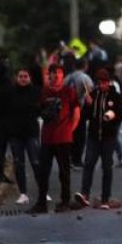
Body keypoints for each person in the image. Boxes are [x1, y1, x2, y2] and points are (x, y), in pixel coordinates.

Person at [31, 64, 80, 213]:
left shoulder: (69, 91)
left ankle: (65, 201)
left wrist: (69, 130)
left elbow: (76, 113)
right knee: (43, 172)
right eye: (53, 73)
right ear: (49, 76)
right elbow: (38, 111)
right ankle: (41, 203)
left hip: (63, 138)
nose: (57, 76)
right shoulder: (44, 92)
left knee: (64, 172)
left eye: (59, 73)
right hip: (47, 137)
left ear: (63, 75)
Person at [77, 68, 122, 209]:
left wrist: (111, 119)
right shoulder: (93, 94)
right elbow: (85, 116)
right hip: (93, 136)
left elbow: (119, 116)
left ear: (109, 82)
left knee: (107, 167)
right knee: (88, 164)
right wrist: (88, 105)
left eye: (104, 82)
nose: (102, 85)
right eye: (99, 82)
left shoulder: (115, 96)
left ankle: (105, 198)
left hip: (108, 137)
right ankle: (85, 194)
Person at [0, 68, 40, 206]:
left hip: (31, 132)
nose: (23, 79)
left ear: (30, 78)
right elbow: (0, 107)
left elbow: (41, 108)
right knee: (19, 163)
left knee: (36, 162)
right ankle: (23, 193)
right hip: (15, 133)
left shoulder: (36, 92)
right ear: (16, 77)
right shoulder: (9, 92)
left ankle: (42, 191)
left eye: (26, 76)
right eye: (21, 76)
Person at [65, 58, 93, 168]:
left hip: (66, 110)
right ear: (85, 66)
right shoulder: (85, 77)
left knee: (69, 133)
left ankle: (68, 157)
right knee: (80, 135)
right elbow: (90, 92)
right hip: (79, 110)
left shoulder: (67, 77)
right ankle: (76, 159)